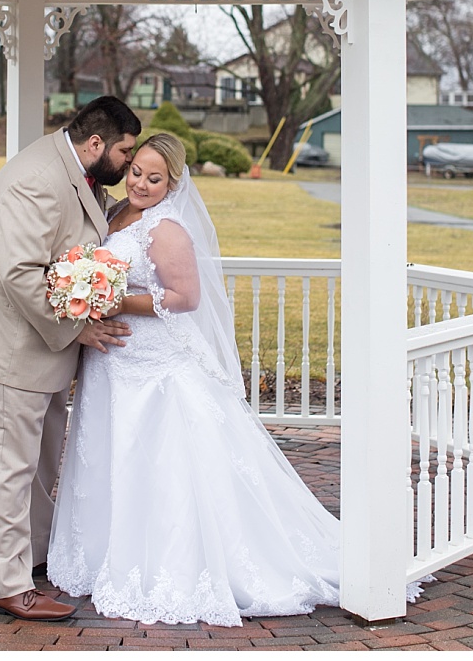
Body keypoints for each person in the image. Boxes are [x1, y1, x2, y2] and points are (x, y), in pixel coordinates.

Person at [47, 132, 353, 625]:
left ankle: (172, 560)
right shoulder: (114, 213)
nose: (142, 184)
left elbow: (185, 298)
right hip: (112, 364)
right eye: (136, 172)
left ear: (173, 182)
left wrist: (115, 301)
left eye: (155, 178)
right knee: (111, 453)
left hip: (155, 368)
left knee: (164, 461)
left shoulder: (166, 229)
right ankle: (106, 552)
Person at [0, 96, 140, 621]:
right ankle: (9, 587)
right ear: (96, 143)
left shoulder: (78, 171)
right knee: (11, 469)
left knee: (40, 465)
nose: (128, 162)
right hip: (11, 350)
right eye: (125, 152)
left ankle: (33, 558)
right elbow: (21, 273)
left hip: (45, 352)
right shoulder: (35, 178)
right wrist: (80, 327)